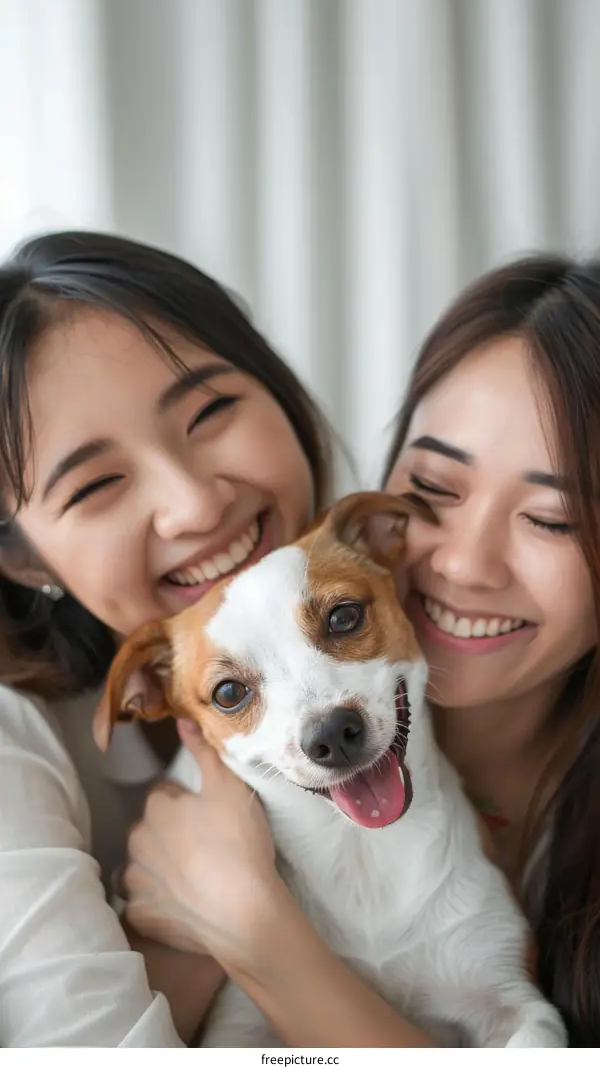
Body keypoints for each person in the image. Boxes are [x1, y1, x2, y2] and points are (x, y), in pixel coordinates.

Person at [123, 256, 600, 1049]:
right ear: (384, 514)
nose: (463, 564)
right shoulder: (177, 834)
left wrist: (259, 931)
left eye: (552, 517)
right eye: (434, 489)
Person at [0, 229, 331, 1045]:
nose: (195, 504)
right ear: (23, 557)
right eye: (97, 484)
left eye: (210, 411)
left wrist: (242, 919)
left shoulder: (419, 624)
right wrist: (209, 920)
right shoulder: (16, 743)